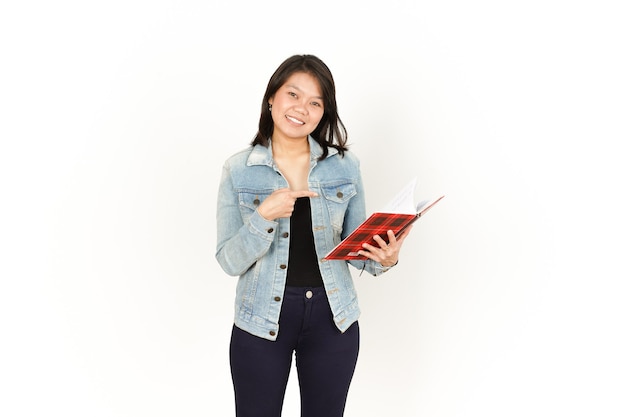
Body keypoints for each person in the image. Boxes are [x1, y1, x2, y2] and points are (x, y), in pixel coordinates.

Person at [215, 54, 413, 417]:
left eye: (315, 102)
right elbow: (228, 260)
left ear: (324, 112)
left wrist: (386, 258)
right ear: (272, 98)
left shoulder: (344, 166)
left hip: (332, 317)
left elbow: (357, 251)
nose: (301, 108)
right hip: (260, 319)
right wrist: (263, 216)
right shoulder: (239, 170)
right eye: (293, 95)